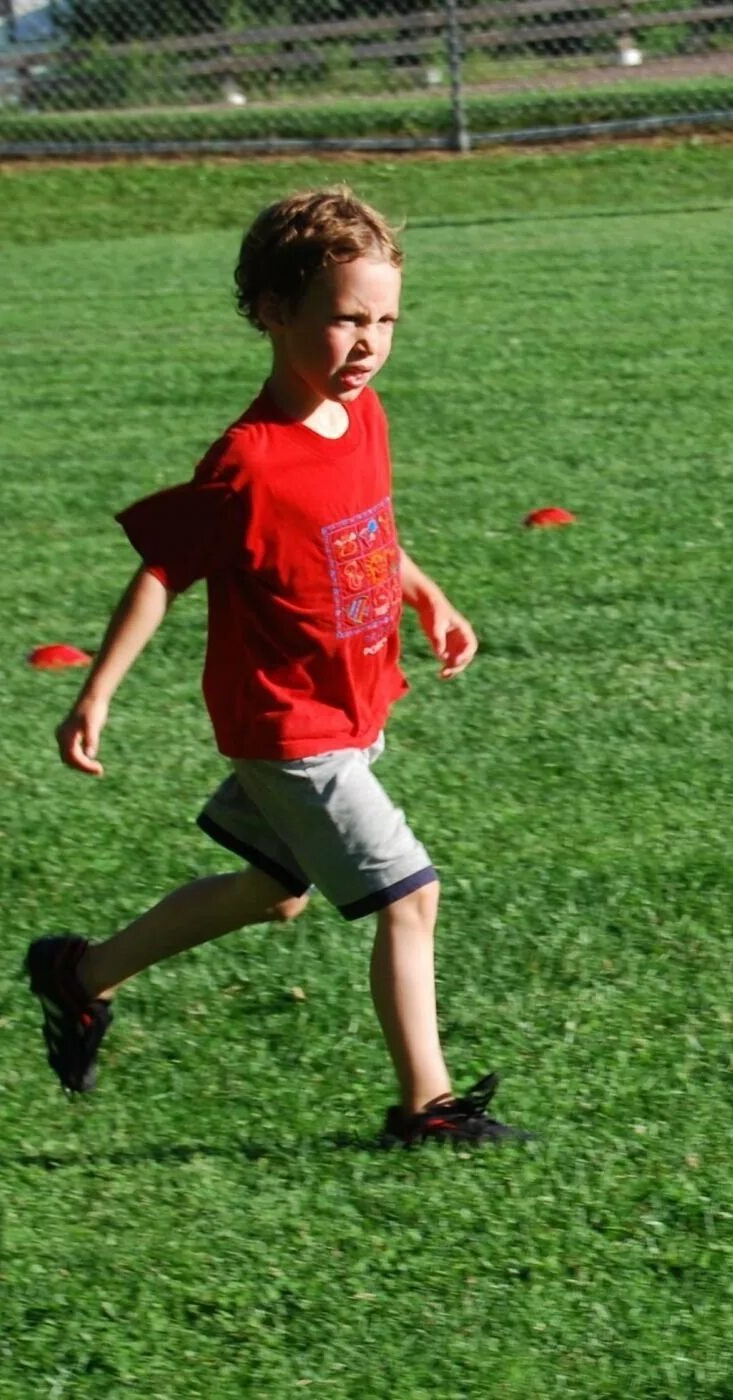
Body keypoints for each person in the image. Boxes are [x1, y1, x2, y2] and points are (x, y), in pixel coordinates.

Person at [27, 187, 521, 1148]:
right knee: (412, 896)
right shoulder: (247, 461)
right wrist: (97, 692)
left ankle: (76, 978)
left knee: (274, 893)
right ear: (271, 311)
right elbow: (163, 573)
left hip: (347, 706)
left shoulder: (362, 414)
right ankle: (428, 1107)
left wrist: (424, 592)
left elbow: (368, 527)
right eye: (346, 319)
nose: (370, 342)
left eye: (385, 320)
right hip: (292, 726)